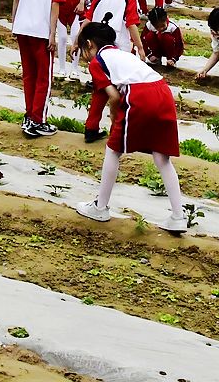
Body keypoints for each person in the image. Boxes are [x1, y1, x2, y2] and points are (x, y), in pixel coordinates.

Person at [74, 21, 187, 233]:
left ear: (89, 44)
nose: (84, 56)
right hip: (162, 91)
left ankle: (100, 207)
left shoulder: (97, 62)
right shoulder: (123, 54)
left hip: (140, 96)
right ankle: (178, 217)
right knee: (162, 157)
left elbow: (114, 96)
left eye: (82, 50)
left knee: (112, 150)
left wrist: (114, 117)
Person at [11, 0, 70, 139]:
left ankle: (29, 115)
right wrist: (52, 34)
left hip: (22, 28)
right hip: (41, 31)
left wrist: (14, 22)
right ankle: (37, 120)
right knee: (43, 77)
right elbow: (55, 5)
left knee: (29, 74)